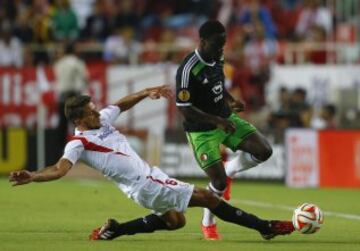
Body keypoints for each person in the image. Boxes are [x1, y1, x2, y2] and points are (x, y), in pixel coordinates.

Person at [9, 85, 294, 241]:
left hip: (141, 187)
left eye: (95, 109)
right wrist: (33, 176)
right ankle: (264, 227)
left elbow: (121, 104)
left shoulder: (103, 120)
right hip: (144, 183)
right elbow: (59, 170)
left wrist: (146, 93)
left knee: (175, 221)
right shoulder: (77, 143)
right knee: (208, 197)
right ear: (79, 121)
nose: (98, 114)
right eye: (91, 113)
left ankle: (115, 230)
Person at [175, 20, 273, 240]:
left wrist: (230, 100)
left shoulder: (216, 56)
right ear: (203, 41)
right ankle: (207, 222)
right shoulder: (188, 69)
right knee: (217, 183)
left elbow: (218, 84)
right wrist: (217, 121)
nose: (221, 50)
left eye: (223, 45)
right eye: (218, 45)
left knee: (264, 150)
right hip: (201, 130)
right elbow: (185, 109)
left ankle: (231, 169)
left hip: (225, 117)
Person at [54, 42, 89, 154]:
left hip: (62, 97)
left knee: (62, 126)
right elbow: (86, 78)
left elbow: (57, 76)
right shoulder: (77, 62)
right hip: (73, 96)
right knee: (77, 124)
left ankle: (61, 152)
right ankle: (79, 152)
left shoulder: (59, 63)